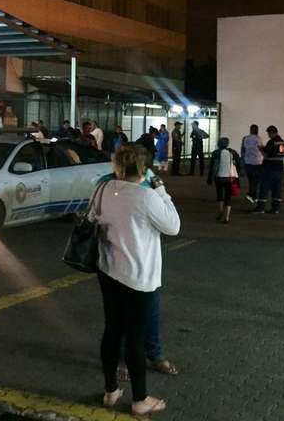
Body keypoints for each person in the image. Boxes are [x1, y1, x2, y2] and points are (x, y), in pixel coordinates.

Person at [92, 144, 180, 415]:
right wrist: (162, 190)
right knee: (136, 337)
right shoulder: (147, 197)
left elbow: (94, 218)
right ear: (143, 168)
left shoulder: (103, 189)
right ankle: (140, 400)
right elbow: (173, 226)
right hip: (138, 276)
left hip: (108, 270)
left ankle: (111, 391)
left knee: (112, 330)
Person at [207, 137, 241, 224]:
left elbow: (212, 167)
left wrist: (209, 178)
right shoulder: (232, 152)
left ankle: (220, 212)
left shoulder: (215, 153)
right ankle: (227, 217)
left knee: (220, 196)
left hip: (219, 177)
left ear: (219, 144)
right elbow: (239, 162)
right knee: (228, 197)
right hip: (229, 178)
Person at [253, 125, 284, 214]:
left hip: (269, 168)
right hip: (279, 168)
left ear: (272, 133)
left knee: (264, 187)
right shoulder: (283, 143)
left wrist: (260, 149)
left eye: (268, 133)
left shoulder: (272, 142)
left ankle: (261, 208)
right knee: (277, 188)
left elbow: (266, 155)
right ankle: (276, 208)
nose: (268, 135)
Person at [240, 124, 264, 203]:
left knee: (251, 180)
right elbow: (261, 149)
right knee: (256, 180)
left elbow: (242, 150)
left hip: (248, 162)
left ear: (250, 130)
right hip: (257, 162)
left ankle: (254, 197)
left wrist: (242, 161)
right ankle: (250, 194)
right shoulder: (259, 139)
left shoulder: (245, 138)